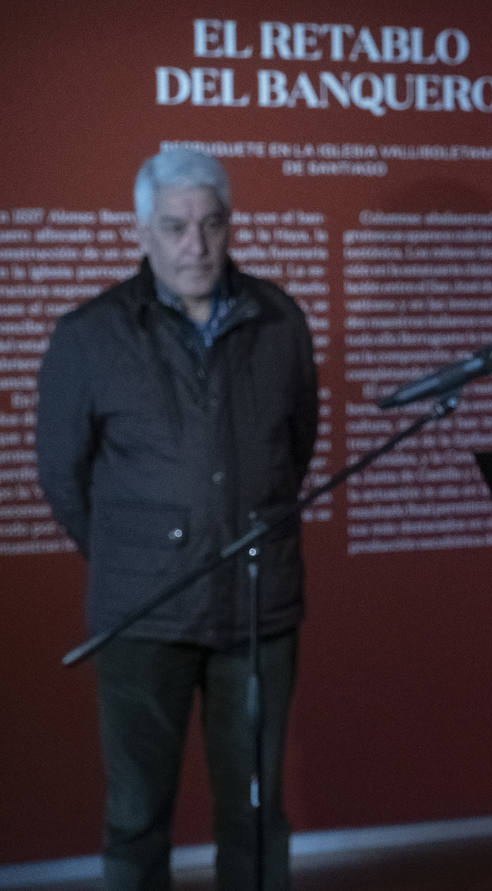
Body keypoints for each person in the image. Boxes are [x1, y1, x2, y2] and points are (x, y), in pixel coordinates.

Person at [36, 147, 318, 890]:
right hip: (143, 612)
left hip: (258, 607)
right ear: (142, 232)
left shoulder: (280, 320)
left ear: (229, 226)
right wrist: (136, 557)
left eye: (210, 224)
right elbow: (62, 476)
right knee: (135, 813)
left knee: (256, 810)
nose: (194, 245)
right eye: (174, 227)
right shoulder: (89, 334)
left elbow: (295, 446)